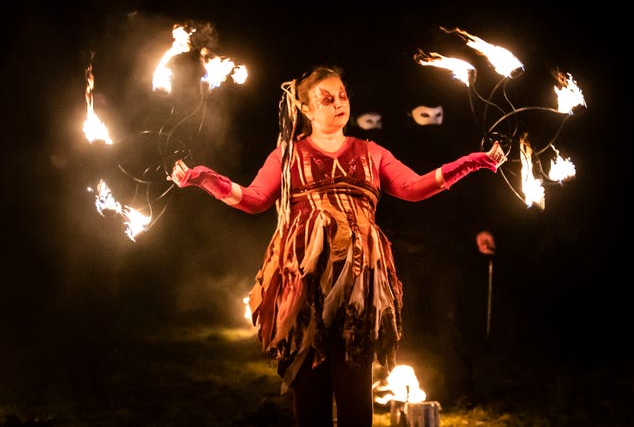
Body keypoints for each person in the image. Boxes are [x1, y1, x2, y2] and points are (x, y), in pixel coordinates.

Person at [168, 65, 506, 427]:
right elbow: (254, 199)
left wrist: (470, 163)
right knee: (309, 392)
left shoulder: (372, 152)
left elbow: (414, 187)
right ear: (306, 109)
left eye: (342, 95)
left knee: (354, 395)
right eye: (325, 99)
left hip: (358, 283)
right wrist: (206, 179)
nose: (337, 103)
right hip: (302, 281)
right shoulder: (286, 155)